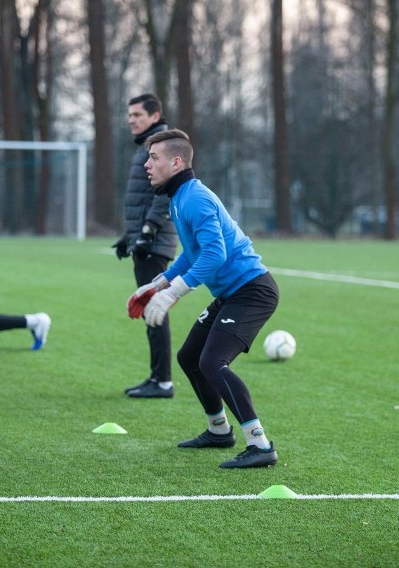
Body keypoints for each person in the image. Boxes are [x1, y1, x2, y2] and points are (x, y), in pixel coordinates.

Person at [128, 129, 280, 469]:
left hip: (252, 292)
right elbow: (193, 252)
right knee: (190, 357)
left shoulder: (193, 198)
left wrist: (175, 293)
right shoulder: (181, 197)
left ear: (176, 161)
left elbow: (214, 255)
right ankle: (218, 430)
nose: (147, 166)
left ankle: (260, 444)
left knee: (213, 363)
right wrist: (160, 282)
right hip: (231, 293)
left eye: (153, 158)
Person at [112, 93, 179, 398]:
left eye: (137, 115)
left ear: (155, 116)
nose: (131, 121)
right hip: (143, 241)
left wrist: (149, 230)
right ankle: (156, 377)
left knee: (155, 309)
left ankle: (163, 381)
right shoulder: (147, 146)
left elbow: (164, 191)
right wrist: (129, 236)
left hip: (154, 243)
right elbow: (141, 198)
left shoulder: (159, 146)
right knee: (150, 308)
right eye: (129, 116)